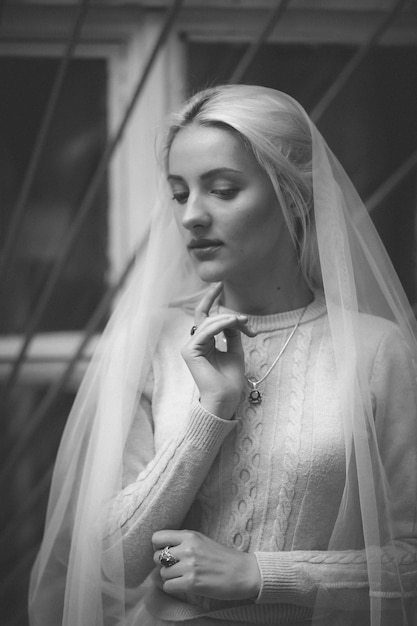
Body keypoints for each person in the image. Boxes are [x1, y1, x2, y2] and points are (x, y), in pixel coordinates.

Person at [28, 85, 417, 626]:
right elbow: (107, 563)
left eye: (223, 189)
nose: (191, 216)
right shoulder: (153, 340)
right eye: (179, 193)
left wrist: (258, 574)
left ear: (292, 196)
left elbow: (410, 564)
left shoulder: (377, 351)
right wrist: (210, 413)